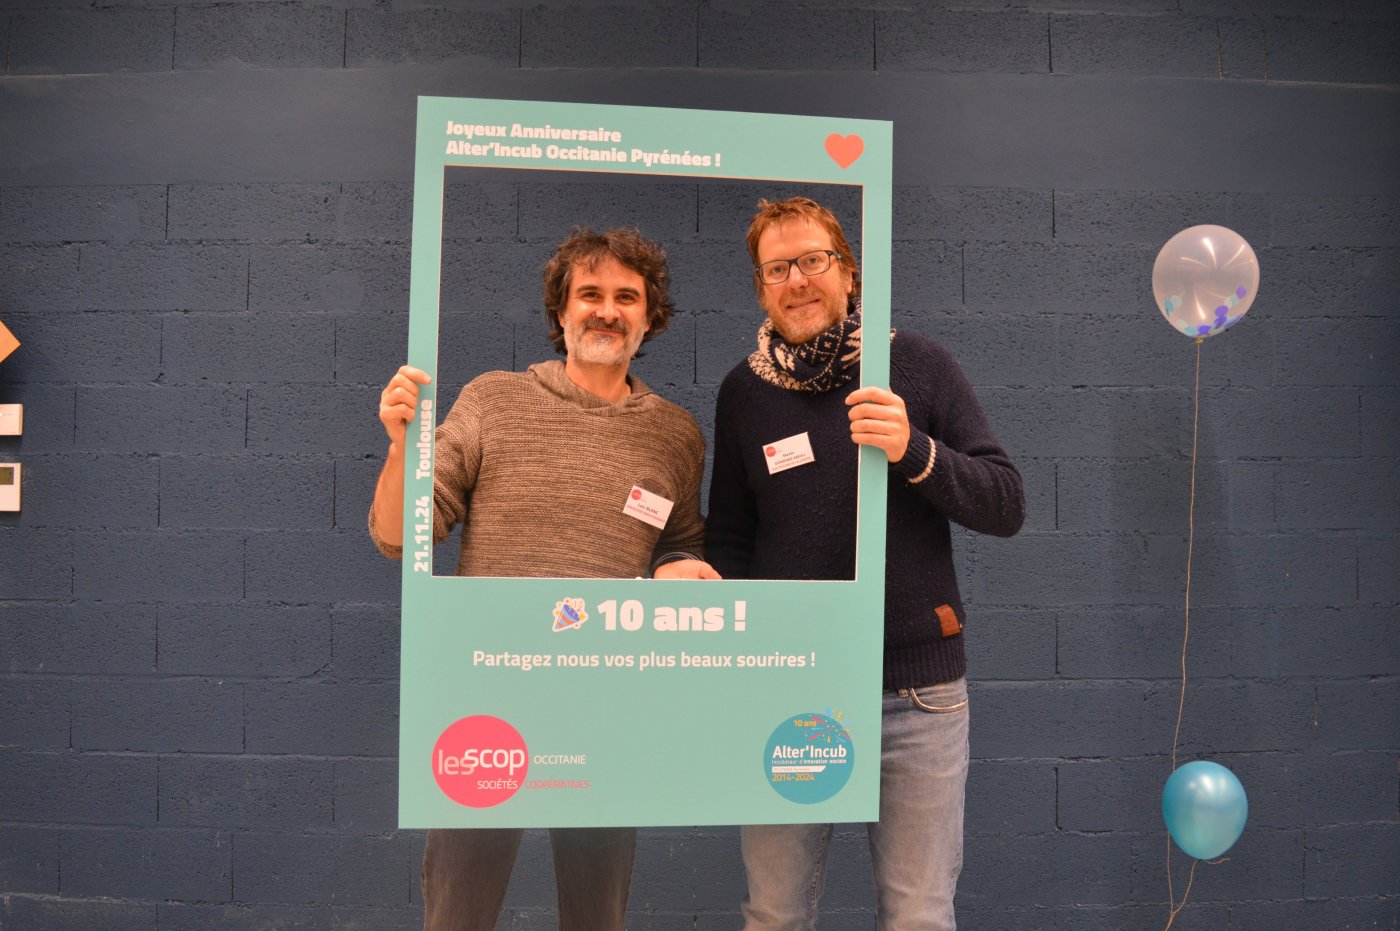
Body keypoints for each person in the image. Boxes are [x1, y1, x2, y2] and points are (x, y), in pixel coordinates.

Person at [369, 226, 718, 931]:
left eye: (627, 297)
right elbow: (399, 535)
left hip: (606, 706)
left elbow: (678, 547)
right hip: (485, 703)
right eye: (589, 294)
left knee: (597, 916)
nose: (607, 310)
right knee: (458, 914)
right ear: (561, 310)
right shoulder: (494, 401)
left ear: (650, 317)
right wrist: (402, 447)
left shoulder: (675, 434)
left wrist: (681, 569)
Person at [705, 197, 1025, 930]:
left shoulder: (915, 365)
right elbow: (729, 542)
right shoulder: (742, 393)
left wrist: (914, 449)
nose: (797, 279)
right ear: (761, 288)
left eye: (813, 260)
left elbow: (1006, 503)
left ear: (848, 273)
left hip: (918, 695)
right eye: (778, 268)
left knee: (918, 917)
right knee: (774, 916)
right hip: (788, 688)